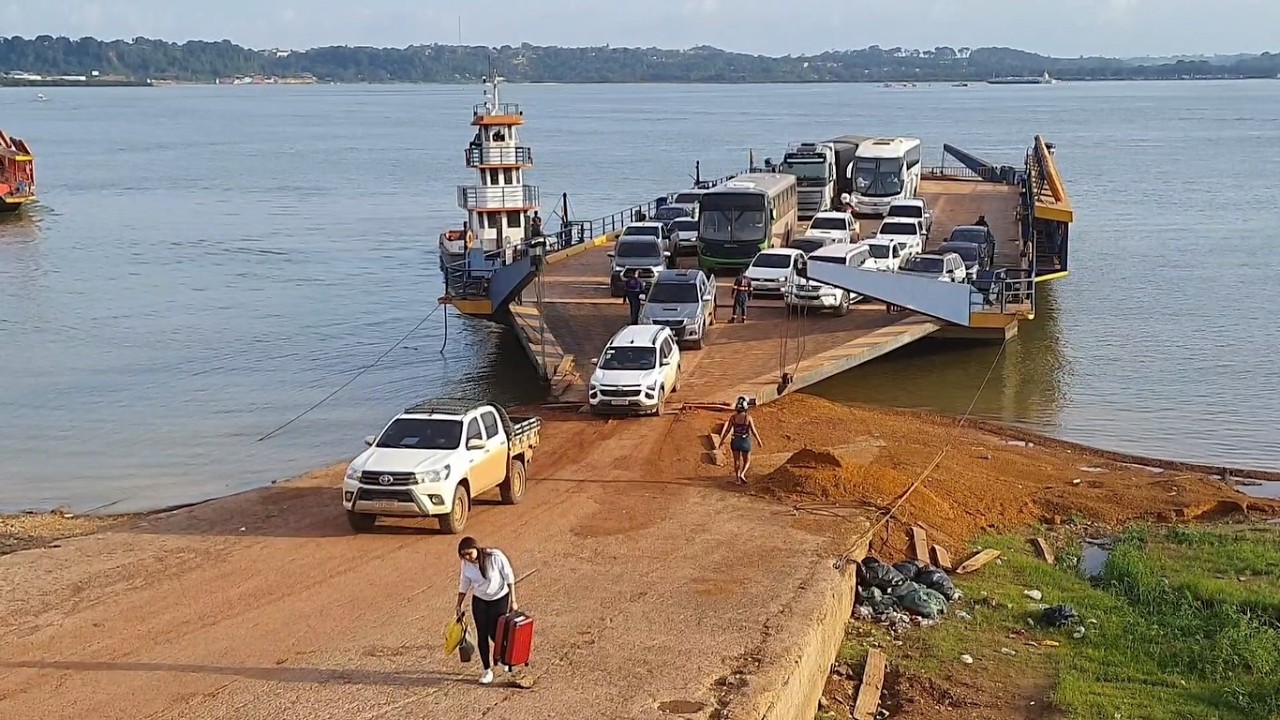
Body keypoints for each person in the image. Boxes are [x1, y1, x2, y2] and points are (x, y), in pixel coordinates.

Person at [455, 536, 518, 685]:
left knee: (496, 633)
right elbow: (464, 583)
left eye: (469, 553)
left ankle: (503, 657)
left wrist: (513, 600)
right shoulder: (466, 564)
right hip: (480, 600)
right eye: (464, 555)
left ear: (476, 549)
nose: (468, 557)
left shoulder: (494, 557)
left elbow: (508, 576)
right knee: (482, 634)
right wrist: (459, 604)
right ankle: (486, 669)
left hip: (499, 598)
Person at [719, 396, 764, 484]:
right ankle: (743, 474)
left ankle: (737, 479)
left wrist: (721, 441)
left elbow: (727, 430)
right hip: (745, 441)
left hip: (735, 440)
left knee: (736, 461)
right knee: (747, 460)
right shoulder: (748, 418)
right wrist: (759, 441)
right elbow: (753, 431)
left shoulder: (733, 418)